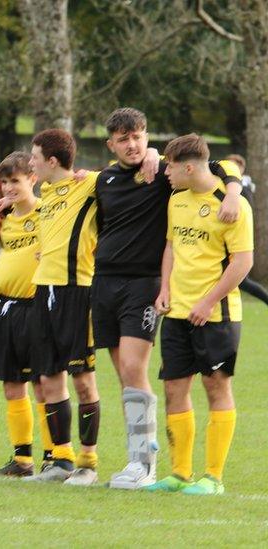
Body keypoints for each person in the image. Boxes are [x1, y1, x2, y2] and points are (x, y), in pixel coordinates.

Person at [91, 108, 243, 489]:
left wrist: (236, 189)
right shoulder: (104, 179)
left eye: (139, 136)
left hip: (144, 285)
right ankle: (146, 463)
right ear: (111, 144)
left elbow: (217, 164)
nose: (133, 145)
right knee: (125, 374)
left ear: (147, 137)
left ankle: (145, 463)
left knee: (133, 367)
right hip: (105, 283)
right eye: (124, 139)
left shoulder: (164, 174)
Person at [147, 134, 253, 495]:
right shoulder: (176, 199)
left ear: (189, 167)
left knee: (215, 386)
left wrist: (208, 302)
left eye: (171, 168)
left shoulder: (232, 204)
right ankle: (179, 473)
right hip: (176, 312)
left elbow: (242, 262)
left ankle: (213, 477)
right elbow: (171, 247)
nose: (166, 174)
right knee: (174, 388)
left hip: (216, 314)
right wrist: (164, 289)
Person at [22, 129, 103, 485]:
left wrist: (148, 156)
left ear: (52, 161)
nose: (30, 163)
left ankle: (88, 462)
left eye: (35, 157)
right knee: (48, 377)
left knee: (83, 380)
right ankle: (62, 458)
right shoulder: (46, 191)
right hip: (44, 289)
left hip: (78, 291)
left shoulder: (89, 185)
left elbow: (143, 168)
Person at [0, 152, 52, 477]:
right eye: (4, 181)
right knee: (13, 385)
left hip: (38, 306)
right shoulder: (4, 215)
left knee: (43, 383)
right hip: (7, 307)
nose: (8, 187)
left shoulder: (46, 213)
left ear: (33, 179)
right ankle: (22, 458)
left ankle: (54, 455)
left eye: (16, 180)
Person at [224, 153, 268, 307]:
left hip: (237, 240)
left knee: (242, 280)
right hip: (226, 238)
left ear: (241, 169)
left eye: (233, 166)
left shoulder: (243, 188)